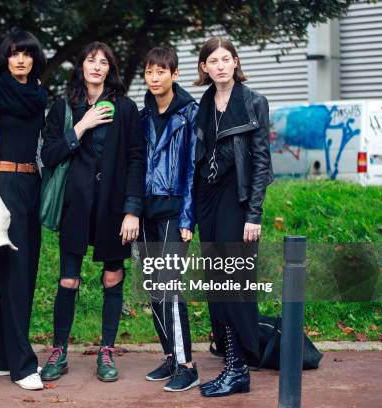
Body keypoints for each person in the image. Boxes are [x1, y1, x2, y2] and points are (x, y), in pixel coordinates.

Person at [40, 41, 145, 383]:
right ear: (82, 67)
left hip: (114, 210)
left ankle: (107, 351)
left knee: (113, 277)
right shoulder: (63, 108)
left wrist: (132, 210)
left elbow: (135, 160)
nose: (96, 66)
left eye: (103, 62)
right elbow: (51, 155)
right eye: (91, 60)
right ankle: (58, 351)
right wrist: (81, 125)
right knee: (68, 279)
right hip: (76, 207)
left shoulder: (126, 109)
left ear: (110, 69)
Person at [193, 36, 273, 397]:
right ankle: (231, 362)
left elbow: (261, 162)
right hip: (208, 200)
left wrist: (253, 213)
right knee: (216, 286)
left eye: (227, 58)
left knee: (235, 285)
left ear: (236, 63)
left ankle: (239, 369)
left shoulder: (254, 101)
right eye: (214, 60)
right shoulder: (204, 103)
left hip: (236, 200)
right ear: (205, 68)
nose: (221, 65)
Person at [0, 29, 47, 391]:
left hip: (32, 185)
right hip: (4, 185)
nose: (20, 59)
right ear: (6, 57)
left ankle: (2, 357)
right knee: (14, 273)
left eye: (27, 54)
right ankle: (22, 366)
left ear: (35, 58)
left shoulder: (39, 94)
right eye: (15, 53)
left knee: (25, 272)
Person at [138, 46, 199, 392]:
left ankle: (187, 365)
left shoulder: (189, 113)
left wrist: (188, 218)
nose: (155, 77)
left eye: (162, 71)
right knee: (154, 289)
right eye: (150, 72)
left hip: (176, 212)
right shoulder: (142, 115)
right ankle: (171, 355)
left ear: (174, 74)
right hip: (146, 212)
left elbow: (192, 169)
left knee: (170, 288)